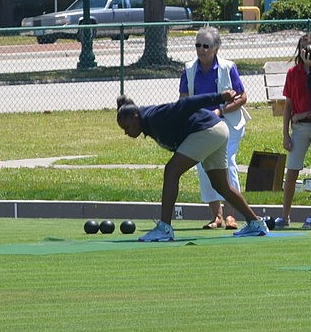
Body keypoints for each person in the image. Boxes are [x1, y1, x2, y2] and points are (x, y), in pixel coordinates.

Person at [115, 89, 268, 241]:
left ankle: (164, 229)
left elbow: (186, 103)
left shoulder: (155, 116)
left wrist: (219, 97)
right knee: (222, 186)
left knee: (171, 170)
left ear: (135, 117)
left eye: (127, 127)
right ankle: (255, 223)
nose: (126, 133)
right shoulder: (147, 122)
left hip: (208, 130)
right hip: (216, 130)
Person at [178, 26, 249, 230]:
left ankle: (231, 215)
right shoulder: (189, 69)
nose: (201, 50)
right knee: (204, 167)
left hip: (229, 124)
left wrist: (220, 111)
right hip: (201, 125)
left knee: (228, 163)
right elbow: (184, 99)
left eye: (206, 46)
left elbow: (242, 96)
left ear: (216, 47)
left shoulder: (228, 67)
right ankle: (216, 216)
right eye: (198, 45)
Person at [280, 32, 311, 228]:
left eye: (310, 47)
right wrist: (285, 133)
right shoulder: (293, 73)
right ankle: (285, 216)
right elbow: (288, 104)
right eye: (302, 47)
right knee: (292, 171)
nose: (306, 51)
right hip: (299, 128)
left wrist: (304, 113)